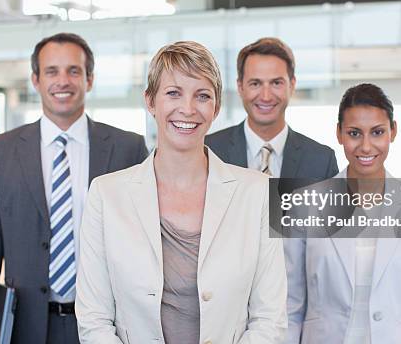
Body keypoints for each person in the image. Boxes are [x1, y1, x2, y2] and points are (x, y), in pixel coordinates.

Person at [76, 41, 287, 343]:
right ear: (150, 101)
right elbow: (94, 319)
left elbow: (270, 319)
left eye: (202, 96)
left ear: (215, 107)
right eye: (173, 93)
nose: (187, 109)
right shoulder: (106, 195)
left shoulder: (257, 194)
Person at [0, 32, 148, 344]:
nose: (62, 81)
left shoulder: (127, 149)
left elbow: (147, 246)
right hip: (26, 327)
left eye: (73, 71)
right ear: (35, 80)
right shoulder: (1, 152)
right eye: (52, 71)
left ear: (89, 80)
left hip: (108, 327)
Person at [285, 83, 401, 344]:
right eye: (354, 133)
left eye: (377, 132)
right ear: (339, 133)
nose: (366, 146)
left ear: (393, 132)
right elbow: (289, 306)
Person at [206, 37, 337, 181]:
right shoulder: (208, 152)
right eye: (255, 83)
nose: (266, 97)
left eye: (276, 83)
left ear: (292, 85)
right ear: (240, 87)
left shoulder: (322, 161)